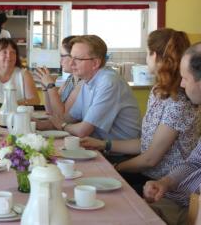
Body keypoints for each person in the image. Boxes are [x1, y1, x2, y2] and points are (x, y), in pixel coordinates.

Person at [80, 29, 199, 195]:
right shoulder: (159, 92)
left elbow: (150, 159)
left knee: (96, 187)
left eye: (147, 53)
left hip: (168, 188)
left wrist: (115, 168)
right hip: (150, 177)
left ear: (155, 56)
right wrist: (104, 144)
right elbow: (145, 143)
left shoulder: (178, 102)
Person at [39, 35, 141, 141]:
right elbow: (70, 118)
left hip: (119, 154)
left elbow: (82, 131)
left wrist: (63, 126)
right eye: (71, 57)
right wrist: (41, 125)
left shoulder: (108, 82)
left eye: (77, 59)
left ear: (95, 63)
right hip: (100, 147)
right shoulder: (88, 81)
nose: (71, 63)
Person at [143, 42, 201, 225]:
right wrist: (165, 182)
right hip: (178, 199)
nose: (182, 84)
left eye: (185, 78)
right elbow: (194, 162)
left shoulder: (179, 104)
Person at [34, 35, 82, 118]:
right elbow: (50, 111)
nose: (60, 61)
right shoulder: (70, 79)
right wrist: (45, 87)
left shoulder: (83, 83)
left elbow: (61, 116)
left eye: (62, 56)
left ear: (73, 56)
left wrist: (51, 85)